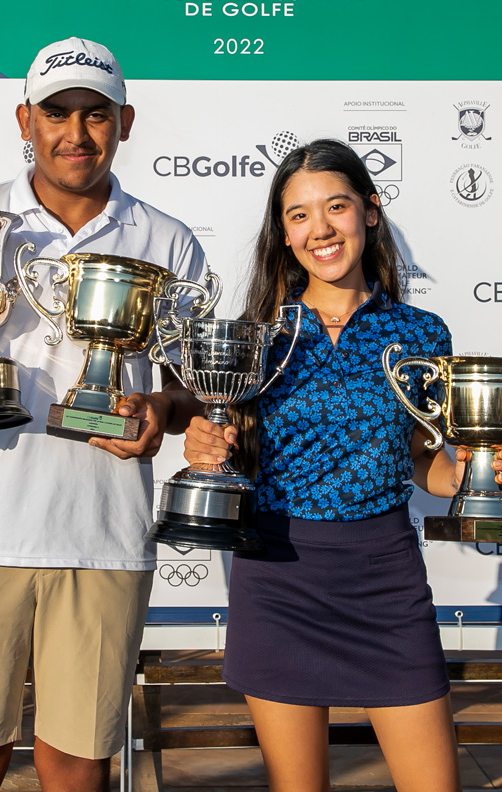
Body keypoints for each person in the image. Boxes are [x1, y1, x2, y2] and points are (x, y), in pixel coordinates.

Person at [0, 37, 206, 792]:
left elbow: (191, 382)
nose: (76, 133)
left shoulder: (167, 239)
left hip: (101, 536)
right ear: (24, 119)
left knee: (77, 762)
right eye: (57, 113)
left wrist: (161, 408)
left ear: (124, 123)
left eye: (95, 115)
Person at [182, 139, 468, 792]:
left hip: (384, 575)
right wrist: (203, 445)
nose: (321, 229)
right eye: (300, 215)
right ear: (283, 235)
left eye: (335, 207)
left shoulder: (423, 334)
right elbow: (218, 433)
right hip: (279, 578)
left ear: (369, 212)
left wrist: (474, 473)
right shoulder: (259, 334)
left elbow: (425, 460)